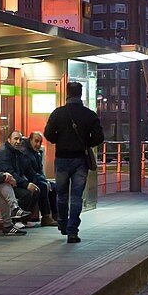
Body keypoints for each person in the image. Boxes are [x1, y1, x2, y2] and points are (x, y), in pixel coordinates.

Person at [44, 81, 104, 244]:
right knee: (76, 196)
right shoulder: (89, 114)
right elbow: (99, 137)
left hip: (62, 158)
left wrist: (60, 140)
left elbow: (48, 134)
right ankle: (72, 231)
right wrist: (86, 142)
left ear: (67, 94)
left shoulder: (58, 113)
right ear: (81, 94)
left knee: (61, 194)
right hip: (80, 160)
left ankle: (62, 223)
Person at [0, 131, 40, 225]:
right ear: (9, 139)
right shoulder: (3, 153)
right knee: (26, 193)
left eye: (20, 139)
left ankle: (24, 219)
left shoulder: (17, 152)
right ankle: (16, 220)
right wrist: (26, 184)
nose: (18, 141)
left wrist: (34, 181)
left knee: (36, 189)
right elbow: (10, 173)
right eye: (15, 139)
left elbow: (27, 169)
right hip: (3, 185)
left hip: (14, 182)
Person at [21, 131, 58, 227]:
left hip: (36, 178)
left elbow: (40, 170)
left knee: (54, 186)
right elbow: (29, 172)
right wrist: (44, 181)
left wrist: (45, 179)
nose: (38, 144)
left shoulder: (38, 152)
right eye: (36, 141)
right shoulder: (25, 153)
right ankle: (46, 217)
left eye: (40, 142)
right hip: (27, 179)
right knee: (43, 186)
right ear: (30, 140)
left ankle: (56, 214)